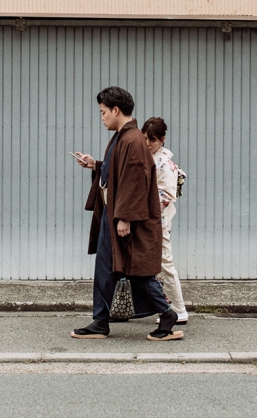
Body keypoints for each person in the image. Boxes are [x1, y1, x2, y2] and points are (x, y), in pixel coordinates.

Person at [70, 86, 183, 341]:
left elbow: (134, 180)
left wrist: (125, 218)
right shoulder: (125, 136)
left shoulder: (131, 139)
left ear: (116, 110)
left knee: (133, 269)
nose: (101, 117)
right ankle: (101, 320)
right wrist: (96, 164)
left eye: (102, 112)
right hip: (117, 214)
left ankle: (166, 313)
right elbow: (120, 171)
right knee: (113, 268)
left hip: (124, 217)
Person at [141, 117, 188, 325]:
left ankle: (178, 309)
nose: (149, 143)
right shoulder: (149, 157)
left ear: (162, 139)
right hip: (149, 218)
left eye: (153, 140)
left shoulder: (164, 164)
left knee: (165, 262)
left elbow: (167, 196)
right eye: (145, 138)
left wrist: (142, 206)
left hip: (157, 220)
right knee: (155, 264)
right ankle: (163, 307)